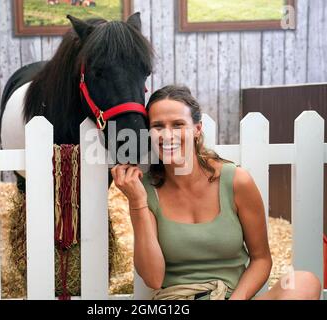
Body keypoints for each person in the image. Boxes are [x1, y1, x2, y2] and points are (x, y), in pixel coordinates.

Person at [111, 85, 322, 300]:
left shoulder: (236, 181)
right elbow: (153, 278)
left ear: (197, 129)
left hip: (233, 297)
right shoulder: (145, 191)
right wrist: (137, 202)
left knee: (304, 281)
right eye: (158, 126)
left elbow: (261, 259)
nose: (167, 135)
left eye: (178, 125)